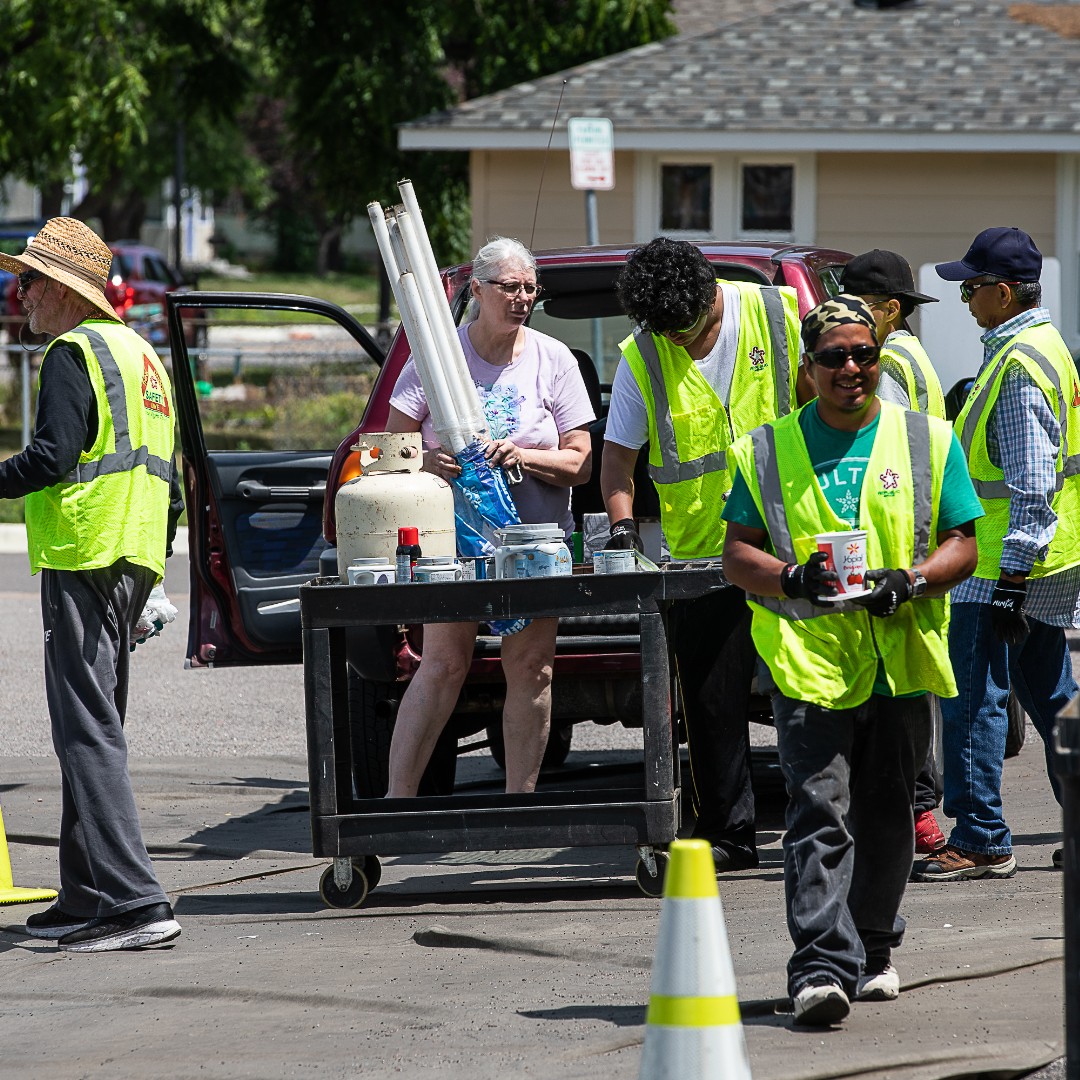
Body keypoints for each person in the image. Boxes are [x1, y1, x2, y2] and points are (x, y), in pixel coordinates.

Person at [721, 294, 981, 1025]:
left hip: (898, 654)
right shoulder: (770, 448)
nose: (851, 369)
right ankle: (821, 969)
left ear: (879, 359)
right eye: (834, 357)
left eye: (864, 355)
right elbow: (736, 553)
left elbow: (964, 541)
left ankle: (874, 948)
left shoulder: (927, 438)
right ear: (809, 369)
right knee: (817, 810)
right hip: (809, 658)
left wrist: (916, 578)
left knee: (889, 811)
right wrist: (790, 578)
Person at [0, 217, 184, 952]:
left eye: (30, 280)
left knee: (85, 730)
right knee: (94, 725)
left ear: (65, 290)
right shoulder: (144, 357)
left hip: (84, 553)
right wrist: (154, 577)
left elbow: (50, 458)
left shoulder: (72, 352)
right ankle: (85, 894)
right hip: (130, 557)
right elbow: (172, 484)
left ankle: (136, 901)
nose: (19, 294)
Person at [601, 236, 801, 873]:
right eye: (672, 336)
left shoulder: (783, 314)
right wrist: (624, 528)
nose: (684, 345)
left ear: (716, 293)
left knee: (809, 690)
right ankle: (730, 836)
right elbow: (617, 460)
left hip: (788, 545)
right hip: (702, 560)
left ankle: (822, 822)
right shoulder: (644, 352)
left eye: (693, 331)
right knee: (713, 706)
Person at [385, 236, 594, 796]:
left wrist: (523, 455)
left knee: (532, 670)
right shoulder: (436, 359)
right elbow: (384, 452)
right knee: (443, 666)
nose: (522, 298)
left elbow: (579, 463)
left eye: (530, 288)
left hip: (536, 545)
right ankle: (395, 804)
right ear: (476, 289)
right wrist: (427, 461)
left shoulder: (555, 359)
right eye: (510, 287)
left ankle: (518, 804)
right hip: (449, 546)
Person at [912, 227, 1080, 882]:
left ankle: (982, 835)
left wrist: (1009, 578)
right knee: (1049, 689)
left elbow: (1032, 484)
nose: (965, 300)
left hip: (1002, 565)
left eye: (972, 288)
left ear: (1003, 292)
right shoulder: (1045, 348)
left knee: (975, 695)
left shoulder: (1018, 367)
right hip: (1042, 556)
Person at [841, 248, 950, 855]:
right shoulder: (915, 355)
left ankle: (917, 820)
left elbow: (889, 460)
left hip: (900, 545)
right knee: (911, 683)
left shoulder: (892, 364)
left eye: (858, 305)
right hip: (917, 541)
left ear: (887, 310)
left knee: (901, 689)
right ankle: (916, 816)